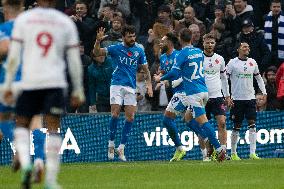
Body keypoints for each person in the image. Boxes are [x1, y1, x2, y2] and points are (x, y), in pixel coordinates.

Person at [3, 0, 85, 188]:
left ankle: (26, 164)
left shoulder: (24, 20)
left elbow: (14, 56)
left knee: (22, 124)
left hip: (30, 81)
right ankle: (50, 180)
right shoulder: (65, 22)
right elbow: (73, 58)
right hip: (55, 82)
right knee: (52, 128)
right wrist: (78, 88)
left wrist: (8, 84)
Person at [155, 28, 226, 162]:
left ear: (180, 39)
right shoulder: (199, 51)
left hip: (192, 92)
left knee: (203, 122)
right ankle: (208, 144)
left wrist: (161, 78)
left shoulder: (182, 54)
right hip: (204, 90)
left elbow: (175, 74)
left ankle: (219, 149)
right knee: (188, 119)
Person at [93, 25, 153, 161]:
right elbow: (97, 53)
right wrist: (97, 41)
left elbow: (146, 69)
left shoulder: (139, 50)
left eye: (133, 36)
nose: (132, 39)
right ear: (123, 37)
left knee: (130, 117)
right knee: (115, 113)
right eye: (129, 36)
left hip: (131, 87)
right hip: (116, 84)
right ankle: (111, 144)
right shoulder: (116, 48)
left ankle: (121, 148)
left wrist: (149, 85)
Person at [227, 42, 267, 160]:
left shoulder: (252, 62)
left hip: (250, 98)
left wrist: (264, 93)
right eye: (244, 47)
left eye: (248, 47)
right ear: (238, 49)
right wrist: (227, 95)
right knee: (237, 126)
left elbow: (259, 78)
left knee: (252, 124)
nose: (247, 48)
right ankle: (233, 153)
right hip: (237, 99)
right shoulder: (232, 63)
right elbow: (224, 79)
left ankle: (252, 153)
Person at [202, 33, 231, 161]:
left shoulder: (220, 59)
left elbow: (224, 79)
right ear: (203, 43)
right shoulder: (198, 58)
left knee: (222, 123)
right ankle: (208, 153)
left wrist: (227, 95)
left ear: (215, 44)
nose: (209, 45)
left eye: (212, 43)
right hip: (202, 97)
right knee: (205, 126)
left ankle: (223, 152)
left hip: (218, 96)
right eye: (207, 42)